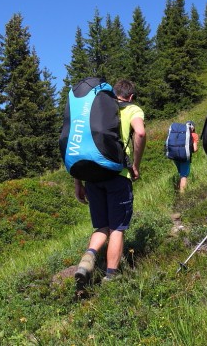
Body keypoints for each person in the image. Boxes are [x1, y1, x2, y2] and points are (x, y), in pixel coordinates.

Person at [74, 79, 146, 284]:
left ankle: (88, 257)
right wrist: (136, 165)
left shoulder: (97, 111)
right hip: (117, 175)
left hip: (92, 176)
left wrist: (78, 182)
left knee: (101, 228)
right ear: (131, 96)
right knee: (117, 229)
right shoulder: (133, 109)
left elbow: (82, 145)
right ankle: (111, 277)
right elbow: (140, 132)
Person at [174, 121, 199, 194]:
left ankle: (178, 190)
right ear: (193, 128)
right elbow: (195, 149)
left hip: (175, 156)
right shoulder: (194, 135)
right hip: (185, 156)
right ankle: (182, 197)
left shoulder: (179, 133)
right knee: (184, 175)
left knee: (181, 174)